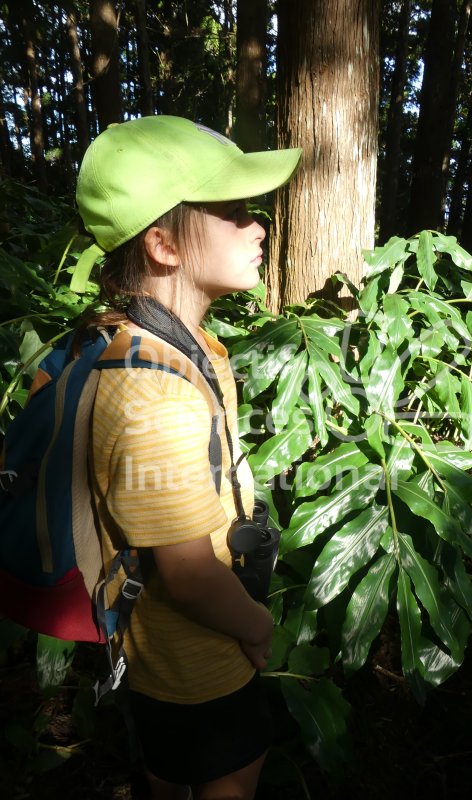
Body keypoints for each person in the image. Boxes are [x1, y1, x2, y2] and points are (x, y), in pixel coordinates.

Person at [75, 116, 302, 800]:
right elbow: (189, 575)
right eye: (234, 212)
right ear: (164, 243)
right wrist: (260, 629)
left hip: (151, 659)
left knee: (167, 776)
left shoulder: (144, 343)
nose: (258, 226)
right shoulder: (155, 395)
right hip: (197, 664)